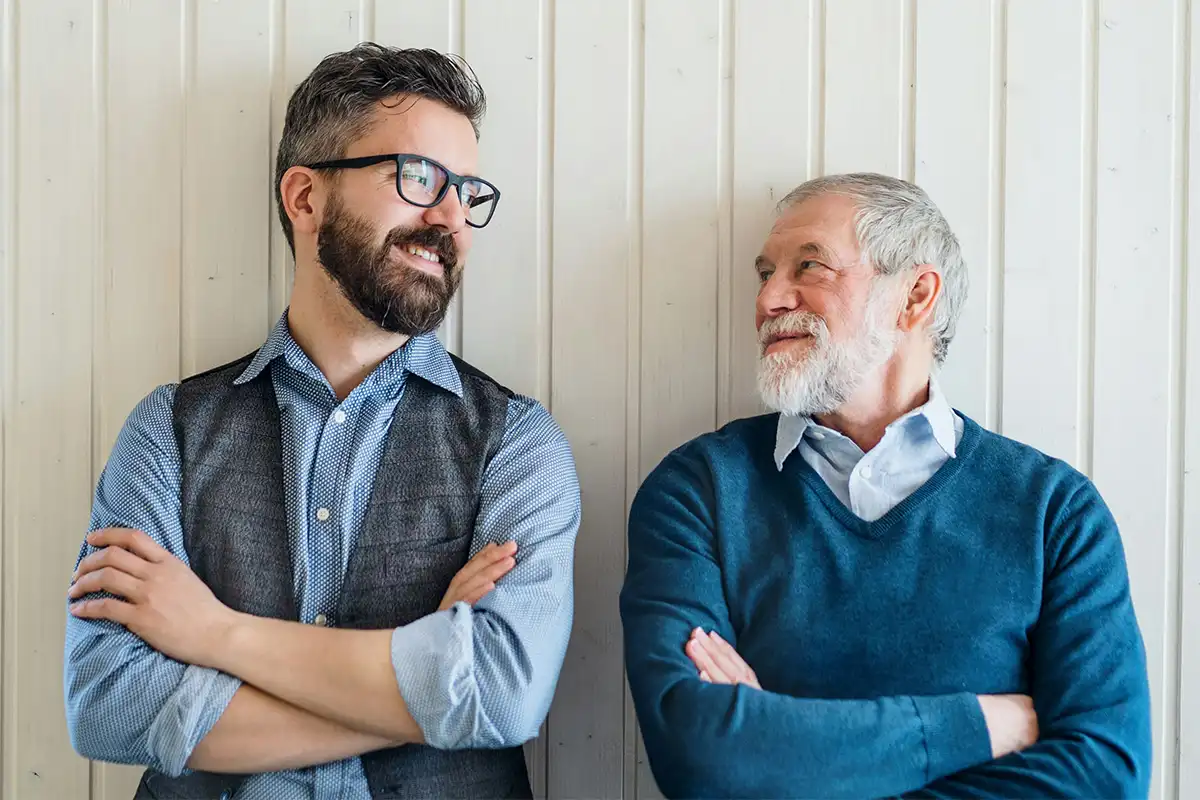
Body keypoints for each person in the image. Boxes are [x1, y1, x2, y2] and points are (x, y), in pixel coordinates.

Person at [64, 43, 580, 800]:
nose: (450, 219)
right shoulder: (166, 431)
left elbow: (504, 693)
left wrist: (214, 634)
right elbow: (106, 705)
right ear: (305, 197)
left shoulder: (519, 443)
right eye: (417, 177)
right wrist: (426, 680)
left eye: (467, 192)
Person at [620, 172, 1152, 798]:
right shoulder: (699, 492)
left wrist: (788, 753)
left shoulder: (1054, 512)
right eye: (766, 273)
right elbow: (704, 756)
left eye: (810, 267)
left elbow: (1105, 777)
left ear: (915, 297)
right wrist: (978, 725)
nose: (768, 300)